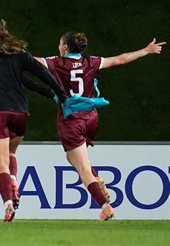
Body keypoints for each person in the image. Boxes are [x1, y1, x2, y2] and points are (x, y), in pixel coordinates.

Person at [35, 33, 165, 221]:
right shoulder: (91, 62)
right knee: (74, 159)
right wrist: (145, 50)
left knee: (82, 169)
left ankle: (105, 206)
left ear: (65, 48)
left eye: (59, 44)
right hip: (91, 118)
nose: (58, 48)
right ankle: (96, 178)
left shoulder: (57, 62)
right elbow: (120, 60)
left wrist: (5, 49)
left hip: (72, 120)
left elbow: (29, 60)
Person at [0, 18, 68, 222]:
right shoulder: (19, 53)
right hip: (20, 114)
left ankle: (8, 204)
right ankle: (12, 178)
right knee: (10, 152)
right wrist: (61, 96)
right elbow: (44, 74)